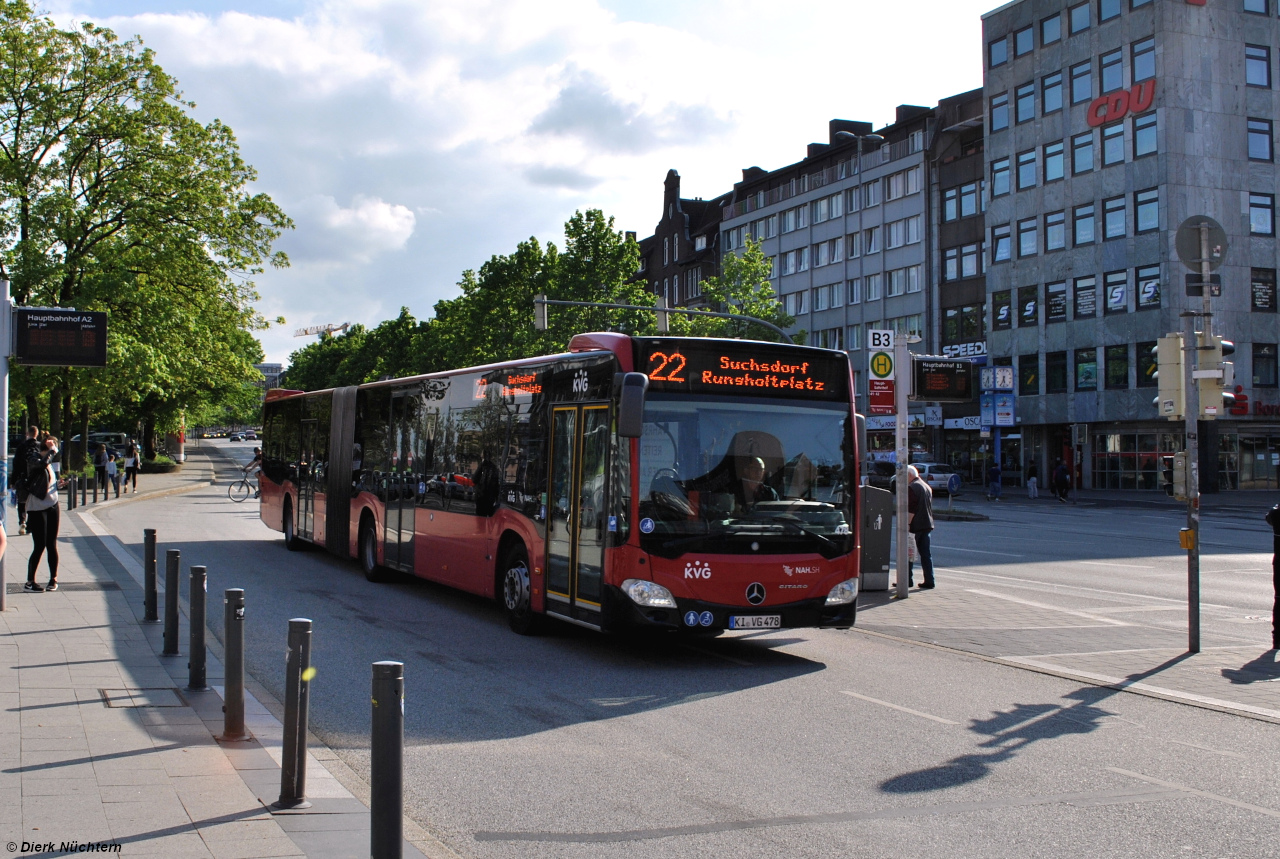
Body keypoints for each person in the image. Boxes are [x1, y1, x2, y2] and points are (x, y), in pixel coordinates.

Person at [24, 436, 63, 592]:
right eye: (53, 450)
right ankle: (30, 582)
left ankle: (53, 579)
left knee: (51, 544)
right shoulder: (34, 459)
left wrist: (58, 484)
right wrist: (51, 451)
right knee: (39, 545)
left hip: (53, 504)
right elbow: (40, 466)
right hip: (37, 506)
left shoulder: (49, 461)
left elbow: (47, 480)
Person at [907, 464, 936, 589]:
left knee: (908, 553)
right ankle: (929, 580)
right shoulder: (926, 486)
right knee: (926, 554)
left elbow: (911, 508)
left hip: (916, 525)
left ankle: (906, 580)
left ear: (909, 475)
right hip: (927, 524)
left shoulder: (913, 487)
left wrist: (907, 524)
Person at [13, 426, 40, 536]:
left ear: (27, 433)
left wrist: (13, 480)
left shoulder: (21, 447)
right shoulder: (39, 446)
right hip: (36, 479)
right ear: (37, 434)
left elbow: (16, 464)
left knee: (22, 501)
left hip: (23, 478)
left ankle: (22, 521)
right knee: (33, 502)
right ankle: (30, 524)